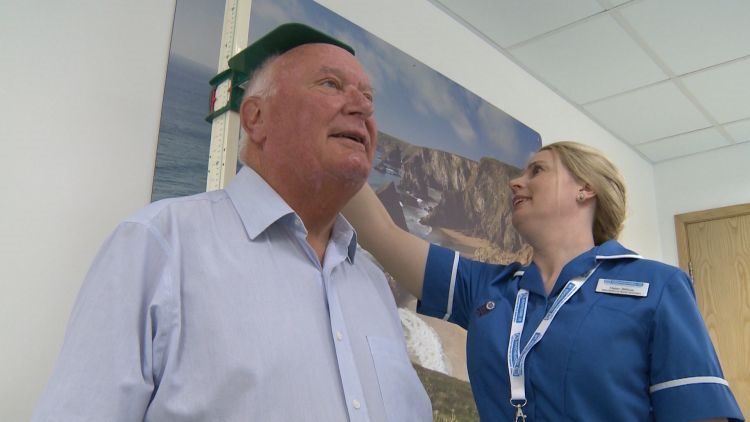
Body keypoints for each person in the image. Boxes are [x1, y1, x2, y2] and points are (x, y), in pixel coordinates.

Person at [32, 23, 431, 422]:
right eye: (330, 84)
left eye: (368, 98)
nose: (362, 108)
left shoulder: (373, 285)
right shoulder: (158, 248)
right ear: (256, 118)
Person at [342, 141, 744, 421]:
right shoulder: (487, 289)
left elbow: (701, 415)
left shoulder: (657, 287)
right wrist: (337, 150)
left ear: (586, 189)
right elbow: (381, 232)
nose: (515, 182)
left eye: (536, 171)